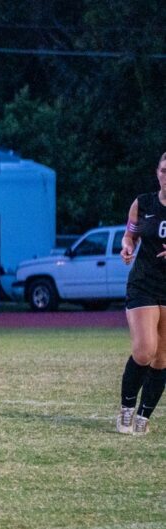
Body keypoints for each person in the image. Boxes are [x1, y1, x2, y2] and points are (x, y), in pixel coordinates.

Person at [118, 151, 166, 436]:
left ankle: (143, 416)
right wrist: (127, 246)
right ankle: (125, 407)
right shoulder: (143, 203)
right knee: (144, 350)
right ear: (157, 171)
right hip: (144, 284)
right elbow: (130, 233)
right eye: (164, 169)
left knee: (162, 358)